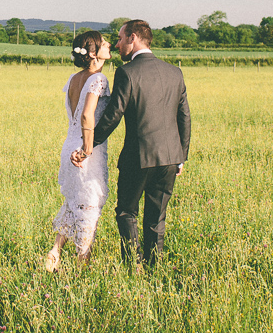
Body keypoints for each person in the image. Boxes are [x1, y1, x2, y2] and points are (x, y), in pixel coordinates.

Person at [72, 19, 190, 268]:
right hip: (170, 158)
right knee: (156, 219)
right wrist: (181, 156)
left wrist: (88, 146)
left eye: (119, 38)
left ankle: (132, 267)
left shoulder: (127, 72)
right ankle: (153, 269)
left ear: (132, 38)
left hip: (138, 157)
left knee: (127, 212)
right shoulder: (174, 72)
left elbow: (113, 115)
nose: (116, 44)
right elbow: (184, 117)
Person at [45, 30, 111, 272]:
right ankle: (82, 264)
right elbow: (86, 115)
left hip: (69, 145)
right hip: (85, 149)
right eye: (104, 43)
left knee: (74, 202)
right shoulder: (99, 80)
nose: (109, 45)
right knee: (90, 205)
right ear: (93, 53)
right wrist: (87, 149)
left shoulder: (74, 78)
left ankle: (55, 251)